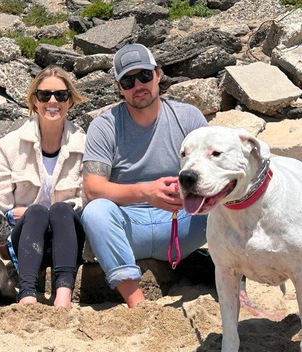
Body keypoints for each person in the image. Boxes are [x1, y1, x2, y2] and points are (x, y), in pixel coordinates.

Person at [80, 43, 210, 308]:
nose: (138, 85)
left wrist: (185, 194)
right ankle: (137, 303)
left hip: (184, 219)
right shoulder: (104, 126)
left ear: (158, 74)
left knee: (227, 201)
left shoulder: (188, 117)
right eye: (128, 81)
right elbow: (92, 187)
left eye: (144, 76)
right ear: (119, 88)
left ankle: (236, 284)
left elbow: (212, 171)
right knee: (95, 212)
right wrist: (146, 192)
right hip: (130, 225)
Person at [0, 66, 87, 309]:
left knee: (61, 210)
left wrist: (65, 210)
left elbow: (89, 196)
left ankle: (63, 296)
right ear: (34, 101)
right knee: (37, 212)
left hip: (69, 236)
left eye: (61, 95)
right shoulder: (11, 145)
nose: (53, 101)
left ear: (70, 102)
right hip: (26, 239)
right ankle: (28, 294)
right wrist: (10, 215)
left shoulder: (84, 145)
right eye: (45, 95)